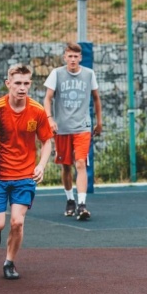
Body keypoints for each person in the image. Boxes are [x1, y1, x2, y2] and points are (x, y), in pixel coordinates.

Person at [0, 64, 54, 280]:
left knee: (17, 221)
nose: (22, 88)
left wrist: (41, 165)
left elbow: (46, 141)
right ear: (8, 84)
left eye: (26, 83)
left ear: (30, 84)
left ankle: (9, 262)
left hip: (25, 176)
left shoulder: (37, 110)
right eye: (17, 83)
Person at [43, 42, 102, 221]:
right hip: (62, 128)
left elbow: (96, 98)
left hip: (82, 127)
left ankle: (82, 204)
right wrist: (49, 118)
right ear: (65, 57)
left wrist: (99, 121)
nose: (73, 59)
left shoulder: (89, 74)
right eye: (70, 56)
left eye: (76, 56)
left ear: (80, 58)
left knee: (81, 163)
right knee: (66, 166)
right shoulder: (57, 74)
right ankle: (70, 200)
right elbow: (47, 98)